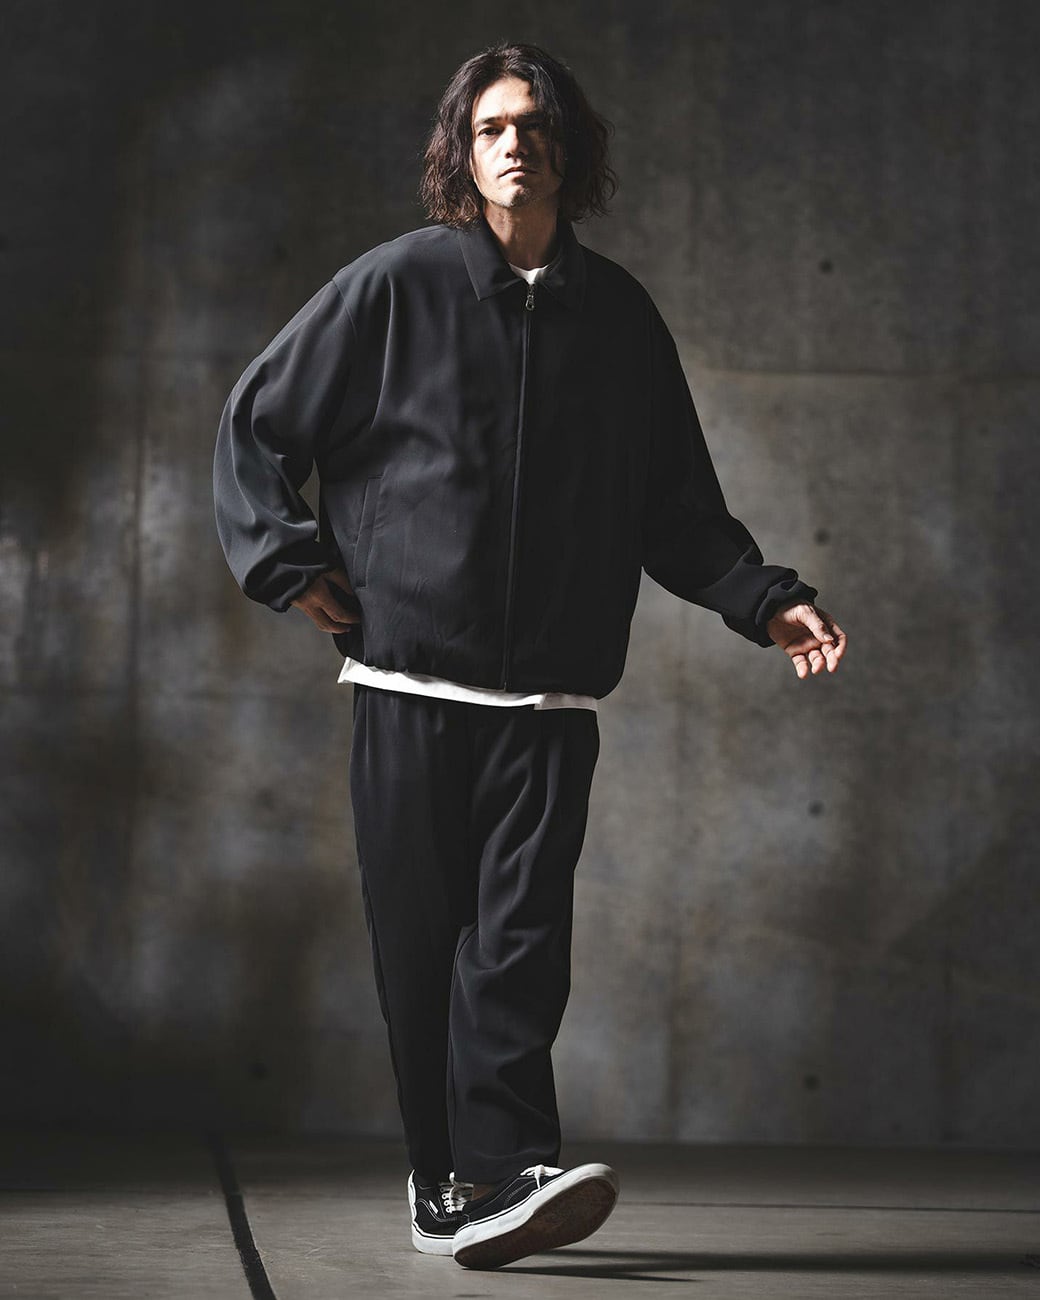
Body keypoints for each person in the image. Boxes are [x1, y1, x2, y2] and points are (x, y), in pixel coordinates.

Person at [212, 41, 847, 1271]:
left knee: (516, 947)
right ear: (463, 151)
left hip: (550, 697)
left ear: (569, 150)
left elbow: (674, 503)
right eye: (493, 126)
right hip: (407, 681)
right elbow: (255, 424)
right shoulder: (393, 287)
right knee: (421, 946)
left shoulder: (618, 318)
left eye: (536, 125)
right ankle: (440, 1181)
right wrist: (289, 564)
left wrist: (765, 599)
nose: (516, 144)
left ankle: (507, 1170)